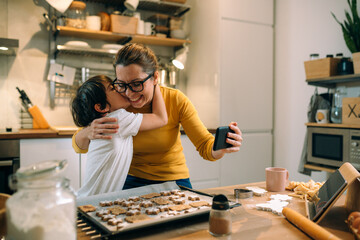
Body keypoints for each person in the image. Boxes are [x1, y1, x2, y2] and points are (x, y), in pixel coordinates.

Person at [72, 43, 243, 190]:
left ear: (155, 77)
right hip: (130, 181)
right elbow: (79, 146)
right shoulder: (119, 105)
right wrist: (87, 131)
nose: (129, 93)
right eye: (122, 84)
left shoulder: (175, 100)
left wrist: (220, 148)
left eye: (136, 84)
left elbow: (206, 147)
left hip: (174, 181)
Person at [71, 75, 167, 197]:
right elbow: (161, 118)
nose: (119, 90)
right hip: (92, 202)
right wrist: (154, 82)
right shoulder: (118, 118)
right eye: (112, 89)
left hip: (88, 198)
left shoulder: (103, 120)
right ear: (101, 107)